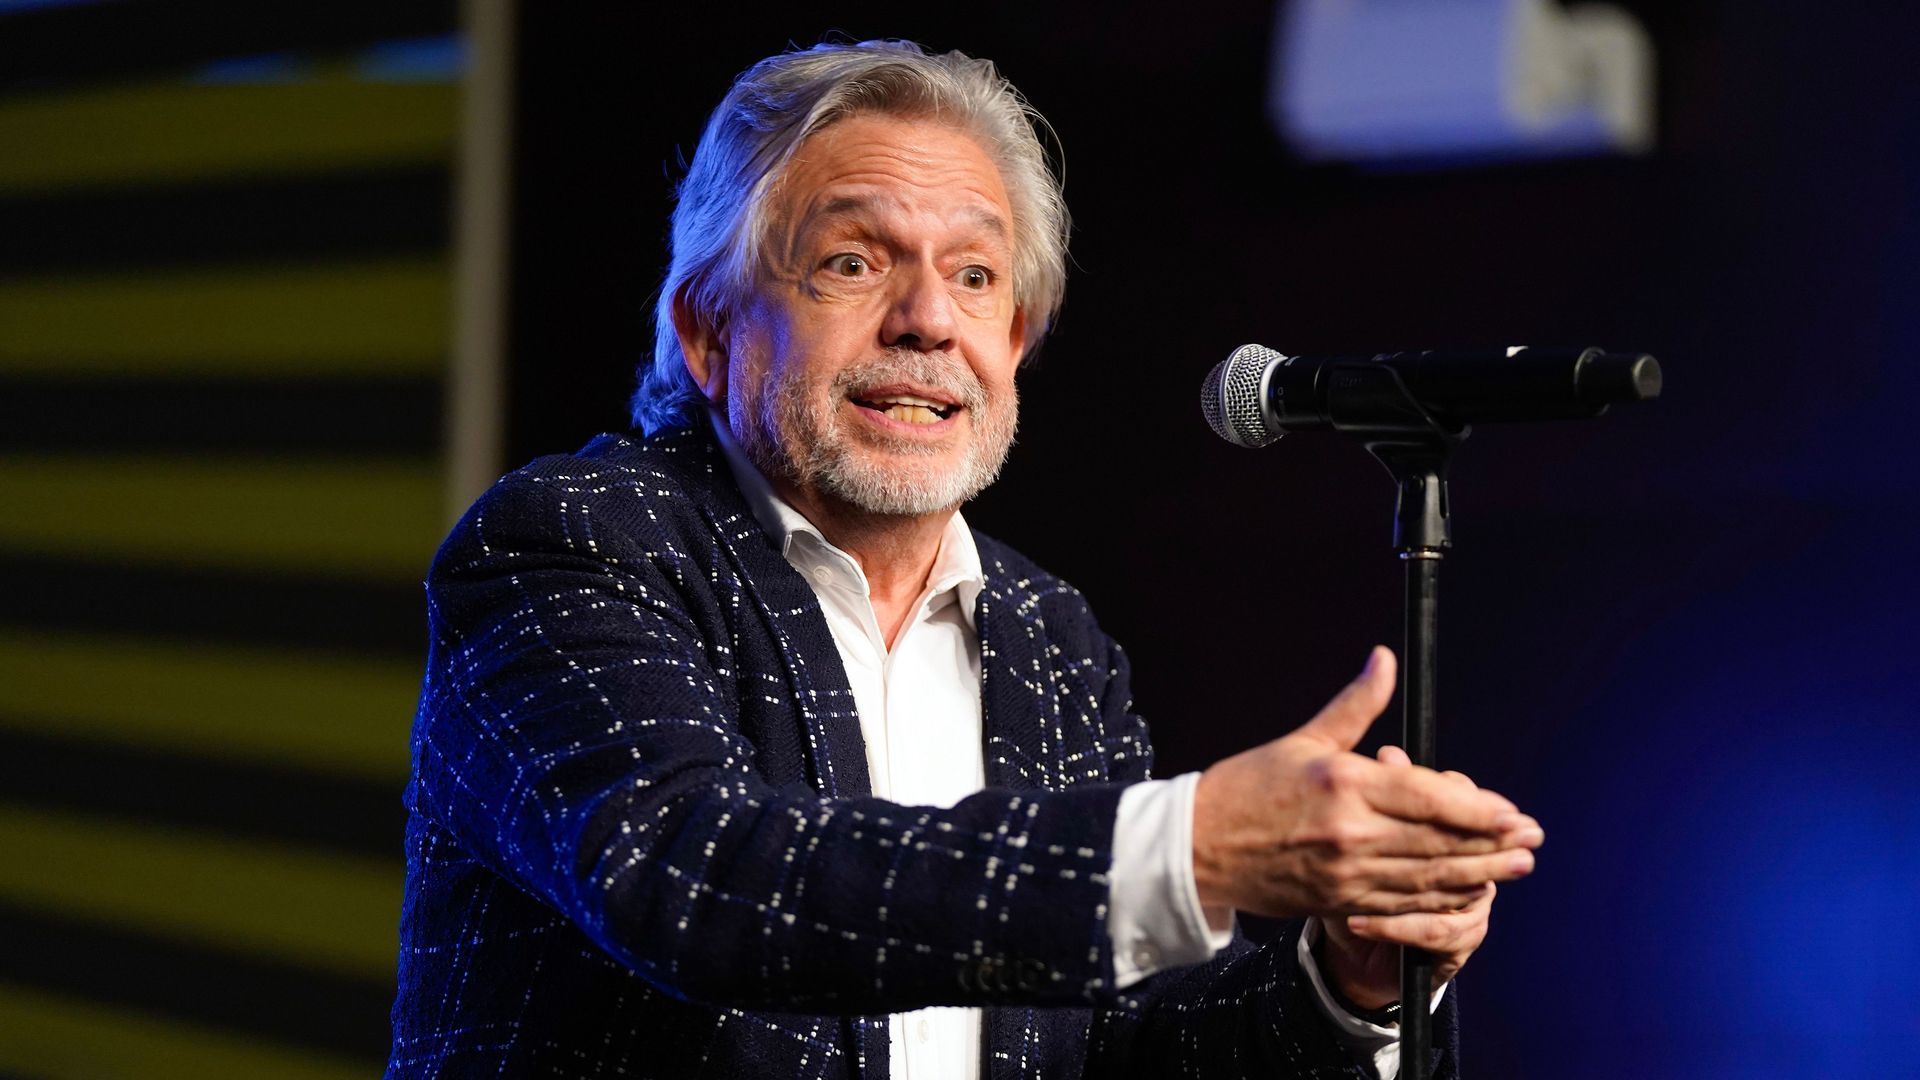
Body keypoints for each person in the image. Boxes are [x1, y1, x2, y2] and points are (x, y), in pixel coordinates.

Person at [387, 39, 1543, 1079]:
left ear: (1015, 342)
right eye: (852, 262)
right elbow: (697, 881)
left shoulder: (1053, 639)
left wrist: (1346, 985)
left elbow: (1131, 1044)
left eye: (976, 276)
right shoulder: (572, 541)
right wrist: (1186, 849)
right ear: (709, 330)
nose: (928, 320)